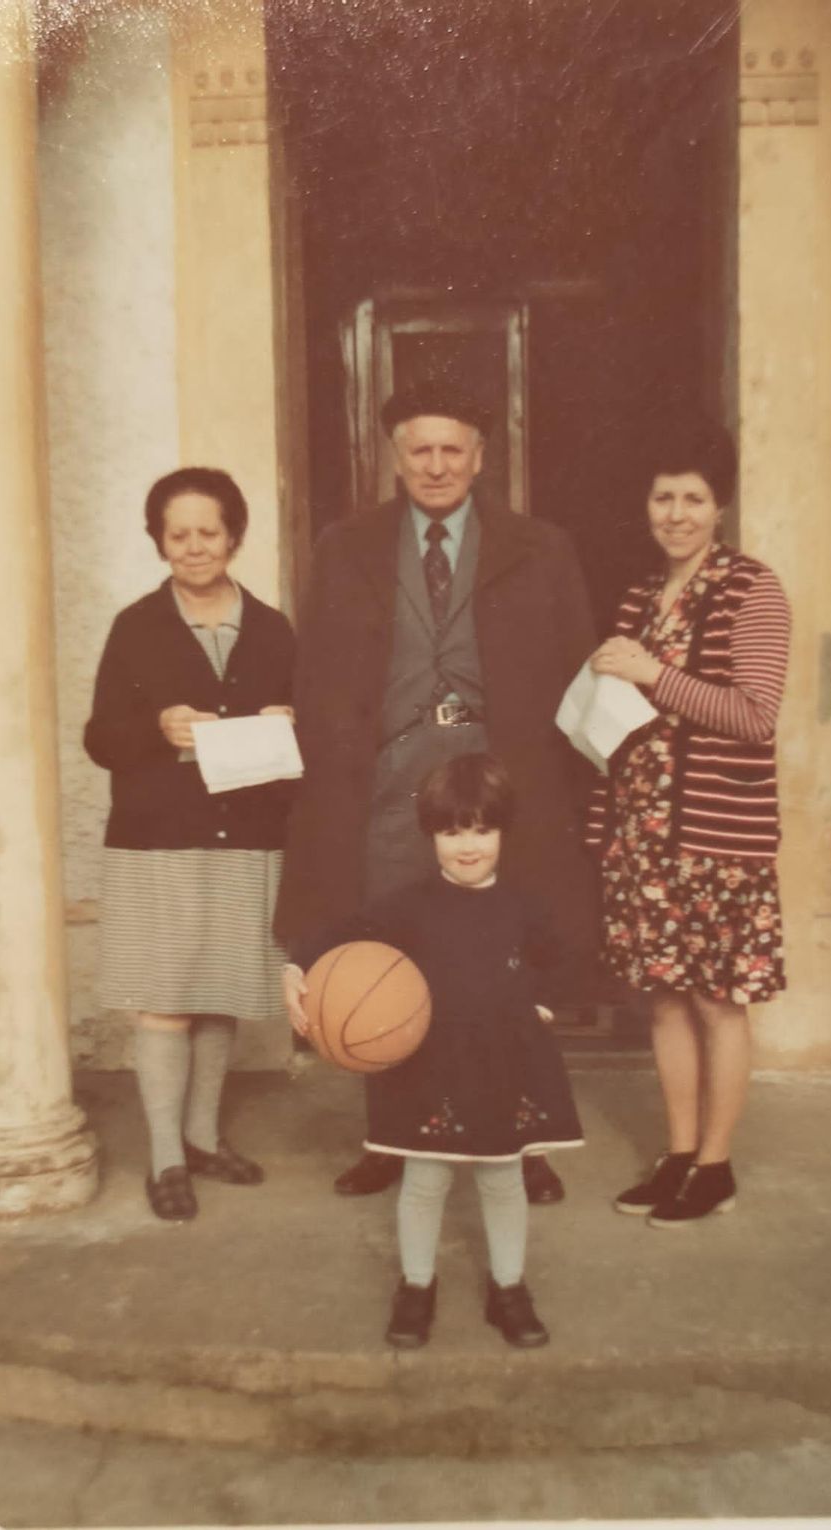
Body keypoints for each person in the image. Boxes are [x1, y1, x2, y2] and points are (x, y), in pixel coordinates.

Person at [276, 380, 596, 1205]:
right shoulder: (348, 546)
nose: (437, 464)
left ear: (481, 457)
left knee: (503, 965)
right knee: (394, 958)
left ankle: (522, 1142)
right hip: (388, 793)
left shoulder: (540, 547)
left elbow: (574, 670)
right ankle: (394, 1137)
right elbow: (317, 675)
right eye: (420, 449)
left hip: (499, 789)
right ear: (395, 456)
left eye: (454, 449)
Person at [288, 754, 583, 1349]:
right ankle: (417, 1286)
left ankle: (509, 1288)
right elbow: (335, 934)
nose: (467, 845)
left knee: (503, 1180)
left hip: (505, 1062)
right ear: (431, 836)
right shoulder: (408, 905)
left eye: (481, 829)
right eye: (451, 831)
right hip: (431, 1066)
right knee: (425, 1181)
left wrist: (544, 1004)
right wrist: (296, 967)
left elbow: (563, 962)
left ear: (503, 831)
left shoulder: (524, 905)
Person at [585, 417, 790, 1227]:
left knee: (715, 1001)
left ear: (720, 507)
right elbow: (615, 720)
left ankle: (715, 1165)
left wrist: (654, 673)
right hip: (646, 836)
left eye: (693, 498)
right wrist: (606, 829)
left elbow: (754, 715)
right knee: (664, 1001)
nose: (676, 513)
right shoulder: (640, 595)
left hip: (715, 838)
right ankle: (676, 1154)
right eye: (663, 497)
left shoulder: (753, 588)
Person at [84, 467, 296, 1221]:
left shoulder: (272, 628)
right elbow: (100, 739)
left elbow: (307, 731)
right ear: (159, 541)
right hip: (158, 840)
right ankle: (166, 1158)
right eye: (179, 534)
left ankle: (204, 1139)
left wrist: (287, 720)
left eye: (209, 532)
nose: (195, 547)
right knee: (166, 1002)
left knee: (220, 996)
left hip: (245, 835)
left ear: (234, 536)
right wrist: (156, 729)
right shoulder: (135, 626)